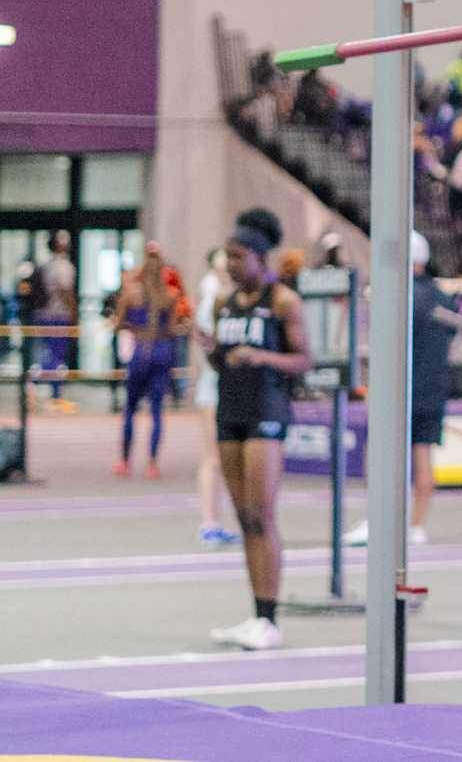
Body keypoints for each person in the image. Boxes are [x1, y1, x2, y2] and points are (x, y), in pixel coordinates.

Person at [199, 210, 313, 651]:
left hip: (267, 413)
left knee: (262, 514)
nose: (229, 264)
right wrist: (212, 351)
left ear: (260, 258)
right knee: (244, 516)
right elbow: (224, 359)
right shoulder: (221, 303)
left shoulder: (283, 302)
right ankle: (255, 615)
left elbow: (304, 360)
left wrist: (262, 357)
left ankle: (270, 617)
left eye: (237, 256)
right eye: (227, 256)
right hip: (230, 411)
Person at [345, 232, 454, 548]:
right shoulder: (442, 299)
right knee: (423, 454)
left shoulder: (396, 297)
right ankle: (417, 525)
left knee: (378, 455)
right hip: (433, 389)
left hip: (398, 392)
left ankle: (377, 519)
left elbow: (386, 346)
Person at [113, 244, 185, 479]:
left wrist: (135, 328)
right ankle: (152, 463)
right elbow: (172, 329)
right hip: (161, 352)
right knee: (156, 411)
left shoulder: (131, 292)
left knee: (130, 409)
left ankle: (125, 461)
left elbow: (119, 323)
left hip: (140, 352)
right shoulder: (170, 295)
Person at [191, 247, 239, 545]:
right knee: (215, 457)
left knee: (225, 458)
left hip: (228, 387)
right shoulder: (212, 301)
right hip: (214, 387)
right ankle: (209, 521)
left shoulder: (233, 301)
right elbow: (207, 348)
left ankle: (217, 520)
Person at [28, 231, 78, 410]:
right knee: (56, 356)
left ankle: (43, 389)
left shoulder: (46, 265)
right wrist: (74, 314)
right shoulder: (63, 266)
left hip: (43, 315)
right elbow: (67, 292)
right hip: (57, 316)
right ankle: (41, 387)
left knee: (50, 354)